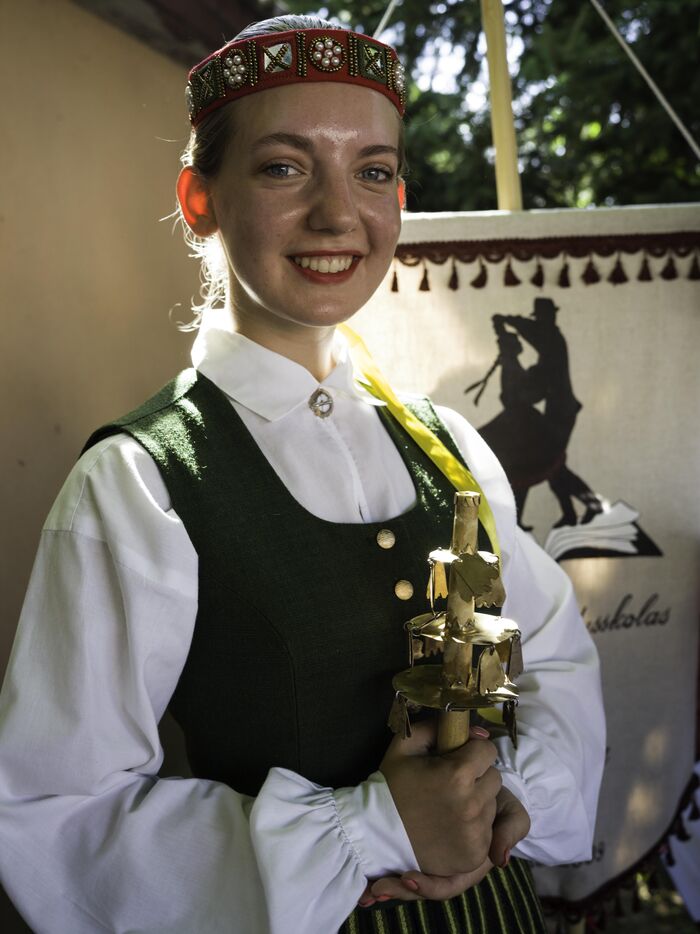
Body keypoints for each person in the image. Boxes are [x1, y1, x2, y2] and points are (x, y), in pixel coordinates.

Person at [0, 15, 605, 934]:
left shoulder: (447, 445)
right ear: (200, 199)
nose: (338, 214)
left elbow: (552, 656)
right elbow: (58, 812)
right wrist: (370, 830)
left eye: (373, 171)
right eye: (285, 167)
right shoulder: (141, 483)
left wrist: (508, 790)